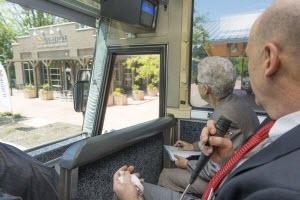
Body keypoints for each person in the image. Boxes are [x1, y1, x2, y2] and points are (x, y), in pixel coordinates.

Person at [113, 0, 300, 199]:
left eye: (248, 56)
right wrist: (227, 159)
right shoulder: (274, 124)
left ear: (269, 59)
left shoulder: (284, 189)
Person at [158, 57, 259, 195]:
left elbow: (214, 169)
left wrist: (186, 164)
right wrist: (192, 146)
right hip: (239, 172)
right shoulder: (239, 103)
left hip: (226, 181)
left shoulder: (222, 116)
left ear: (205, 89)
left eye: (197, 82)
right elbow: (218, 146)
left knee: (166, 175)